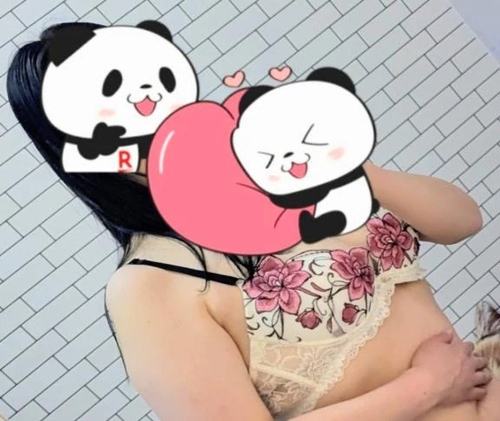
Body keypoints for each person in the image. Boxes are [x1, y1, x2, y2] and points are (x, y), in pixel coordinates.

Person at [7, 21, 499, 421]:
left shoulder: (285, 167)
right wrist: (426, 386)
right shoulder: (149, 286)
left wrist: (354, 166)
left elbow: (463, 221)